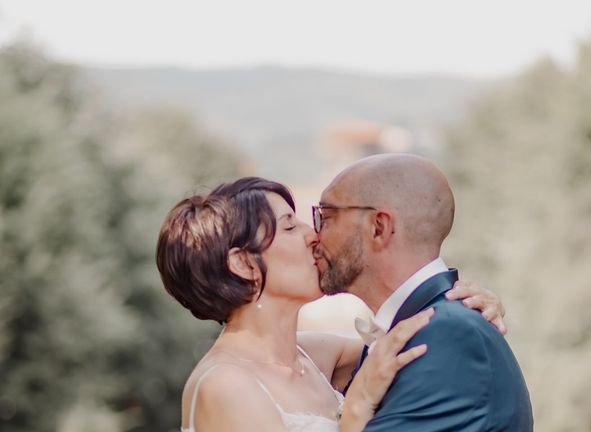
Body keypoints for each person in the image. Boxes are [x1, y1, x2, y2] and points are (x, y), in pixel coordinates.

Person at [156, 177, 508, 431]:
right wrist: (354, 411)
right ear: (243, 264)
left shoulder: (317, 356)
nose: (314, 235)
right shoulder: (225, 385)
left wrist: (463, 304)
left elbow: (420, 345)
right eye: (290, 228)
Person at [313, 153, 534, 431]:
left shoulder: (448, 337)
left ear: (378, 227)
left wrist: (356, 410)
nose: (314, 236)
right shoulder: (414, 332)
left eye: (326, 216)